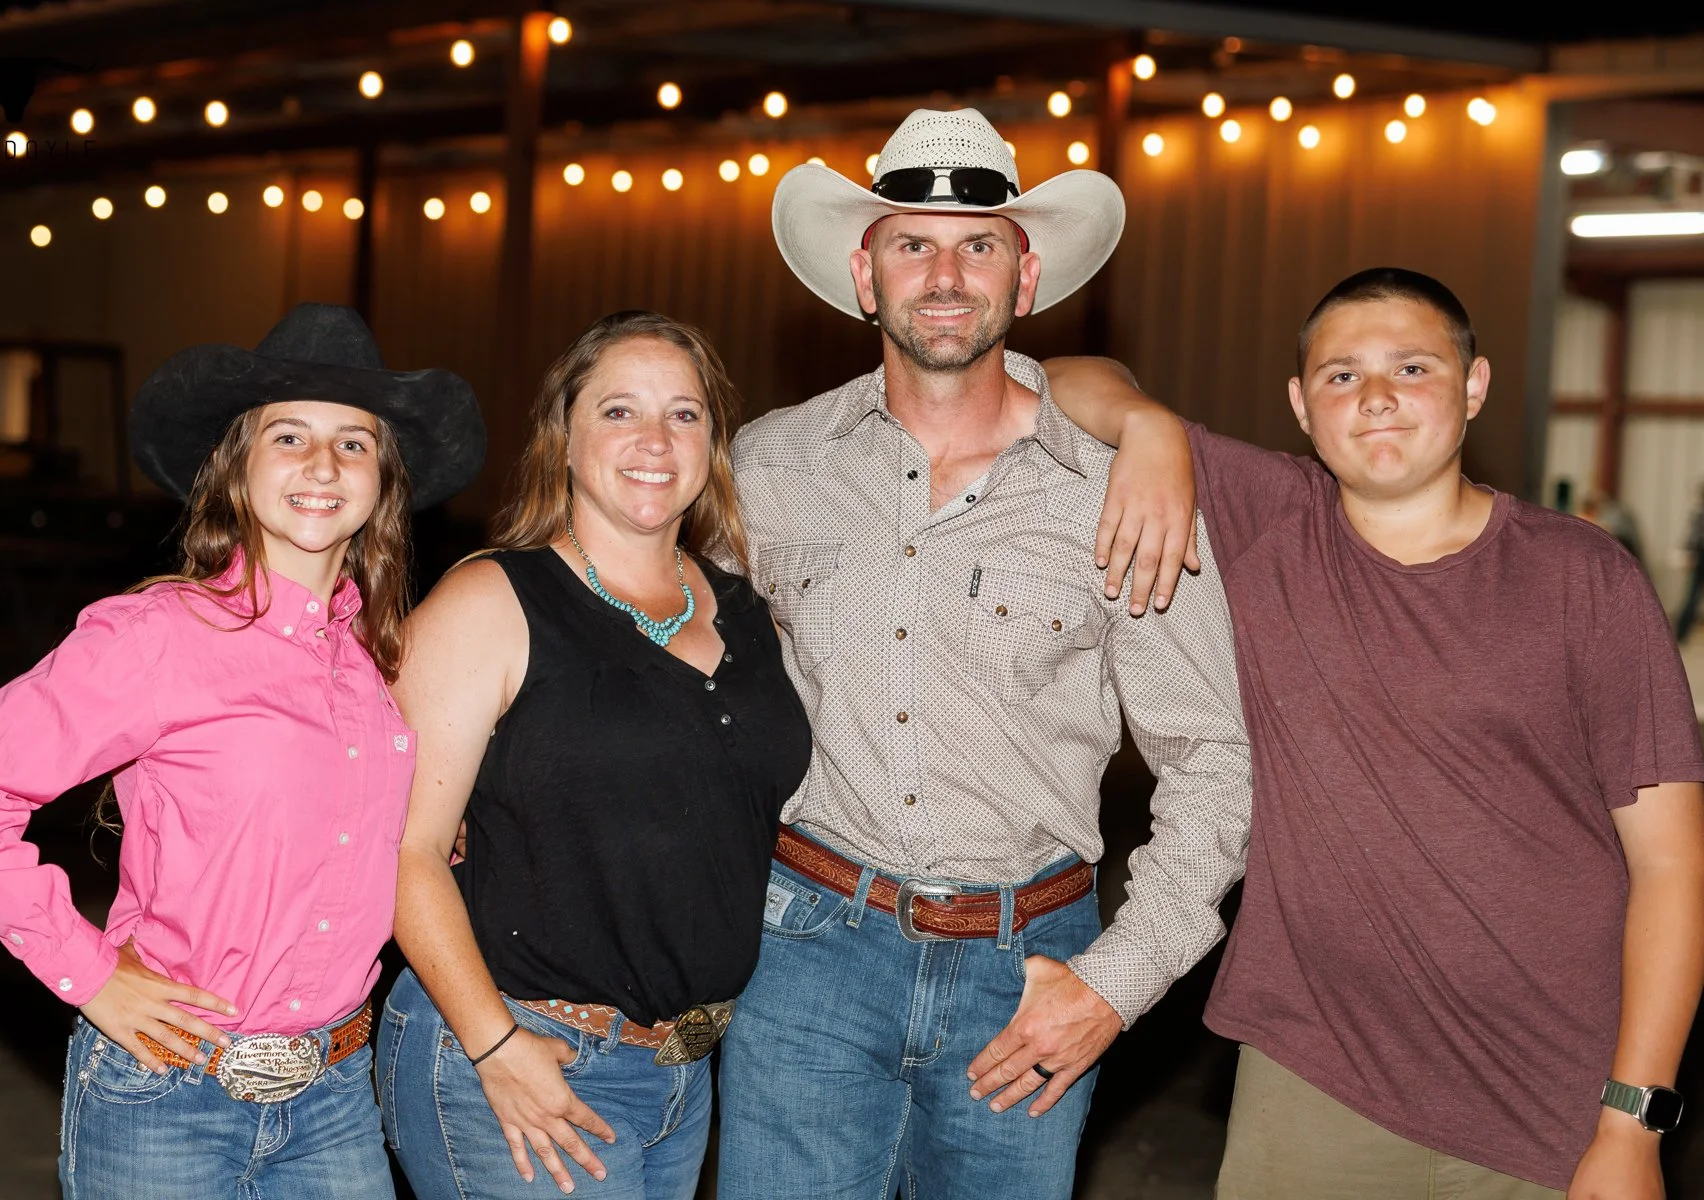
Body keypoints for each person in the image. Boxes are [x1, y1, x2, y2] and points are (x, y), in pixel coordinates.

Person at [1047, 268, 1704, 1199]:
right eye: (1342, 375)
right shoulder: (1268, 518)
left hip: (1553, 1088)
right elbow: (1059, 377)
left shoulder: (1583, 577)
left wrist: (1634, 1123)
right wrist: (1150, 427)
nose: (1378, 396)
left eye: (1413, 367)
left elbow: (1673, 866)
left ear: (1474, 386)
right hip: (1318, 1080)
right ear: (1301, 406)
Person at [713, 107, 1253, 1200]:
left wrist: (1115, 984)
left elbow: (1216, 762)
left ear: (1027, 275)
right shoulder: (769, 468)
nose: (946, 275)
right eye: (912, 243)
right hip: (806, 955)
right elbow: (667, 674)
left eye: (980, 245)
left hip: (1029, 972)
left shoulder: (1118, 493)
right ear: (865, 276)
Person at [0, 302, 486, 1198]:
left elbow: (377, 845)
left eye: (354, 442)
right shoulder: (159, 637)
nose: (323, 464)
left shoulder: (380, 666)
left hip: (334, 1095)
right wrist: (88, 971)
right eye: (288, 437)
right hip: (168, 1090)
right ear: (235, 466)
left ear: (383, 481)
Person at [378, 311, 814, 1200]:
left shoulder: (749, 613)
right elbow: (401, 848)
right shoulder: (491, 601)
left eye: (685, 414)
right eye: (620, 411)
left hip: (683, 1073)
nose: (656, 439)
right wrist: (495, 1045)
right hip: (522, 1052)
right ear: (564, 440)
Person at [1675, 481, 1704, 643]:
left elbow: (1692, 537)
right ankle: (1681, 632)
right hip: (1700, 555)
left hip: (1700, 555)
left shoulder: (1698, 514)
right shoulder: (1698, 514)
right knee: (1691, 596)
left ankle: (1681, 633)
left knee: (1692, 596)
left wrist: (1687, 552)